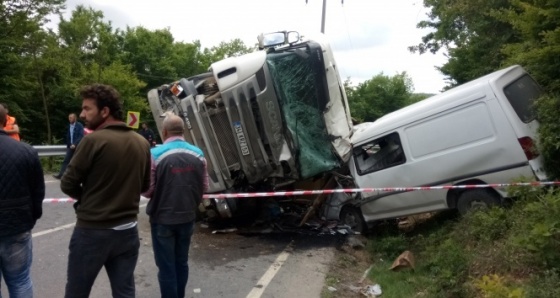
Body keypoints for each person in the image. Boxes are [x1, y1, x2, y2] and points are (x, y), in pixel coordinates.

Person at [60, 84, 151, 298]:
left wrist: (87, 198)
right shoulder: (142, 143)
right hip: (127, 232)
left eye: (87, 109)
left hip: (92, 232)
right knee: (125, 292)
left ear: (105, 111)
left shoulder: (92, 141)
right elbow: (146, 186)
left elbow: (67, 183)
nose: (82, 114)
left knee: (77, 292)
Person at [142, 114, 208, 298]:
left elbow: (148, 190)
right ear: (183, 131)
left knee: (166, 267)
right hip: (187, 217)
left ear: (164, 132)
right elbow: (204, 186)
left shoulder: (155, 154)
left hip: (162, 219)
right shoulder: (199, 154)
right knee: (182, 262)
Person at [0, 104, 45, 297]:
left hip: (18, 224)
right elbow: (38, 191)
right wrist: (31, 218)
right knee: (20, 281)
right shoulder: (26, 151)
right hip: (18, 226)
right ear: (5, 121)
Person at [53, 113, 84, 179]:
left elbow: (81, 136)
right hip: (70, 146)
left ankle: (80, 176)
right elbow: (68, 137)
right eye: (69, 118)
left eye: (71, 118)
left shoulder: (79, 126)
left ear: (75, 118)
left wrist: (75, 144)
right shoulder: (69, 126)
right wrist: (69, 144)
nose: (69, 119)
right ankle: (61, 175)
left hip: (77, 146)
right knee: (66, 160)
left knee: (78, 162)